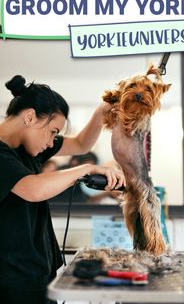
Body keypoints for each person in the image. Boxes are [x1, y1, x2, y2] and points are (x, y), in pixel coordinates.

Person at [0, 75, 126, 304]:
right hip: (10, 283)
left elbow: (80, 144)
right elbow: (32, 188)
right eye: (53, 131)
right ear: (29, 117)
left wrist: (102, 111)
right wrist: (86, 169)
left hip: (37, 274)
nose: (51, 143)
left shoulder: (29, 148)